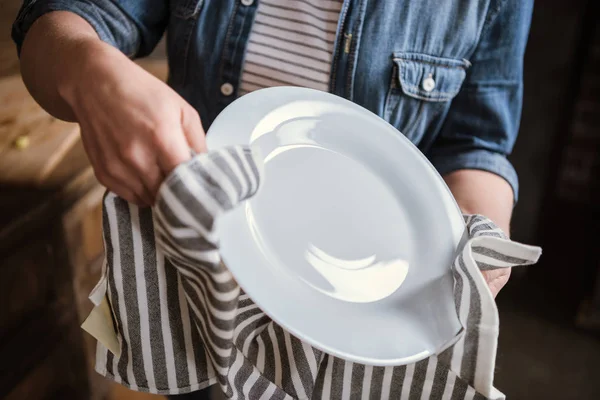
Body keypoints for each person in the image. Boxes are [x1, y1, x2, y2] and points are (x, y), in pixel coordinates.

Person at [12, 1, 533, 398]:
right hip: (196, 299)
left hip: (370, 327)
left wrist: (479, 241)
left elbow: (476, 143)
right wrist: (90, 75)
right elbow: (59, 22)